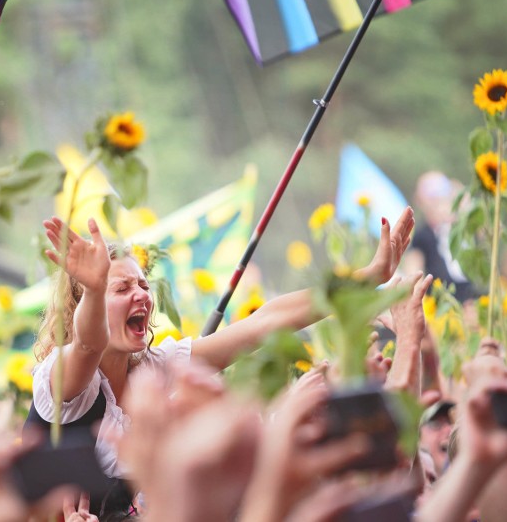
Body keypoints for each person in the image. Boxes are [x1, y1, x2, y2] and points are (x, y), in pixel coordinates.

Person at [28, 208, 414, 516]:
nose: (142, 295)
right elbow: (86, 344)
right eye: (123, 288)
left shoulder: (156, 366)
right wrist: (95, 290)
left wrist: (368, 278)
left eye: (144, 284)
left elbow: (264, 322)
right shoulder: (66, 378)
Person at [404, 171, 477, 302]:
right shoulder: (423, 237)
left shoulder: (462, 233)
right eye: (433, 200)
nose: (440, 206)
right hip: (440, 311)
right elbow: (413, 279)